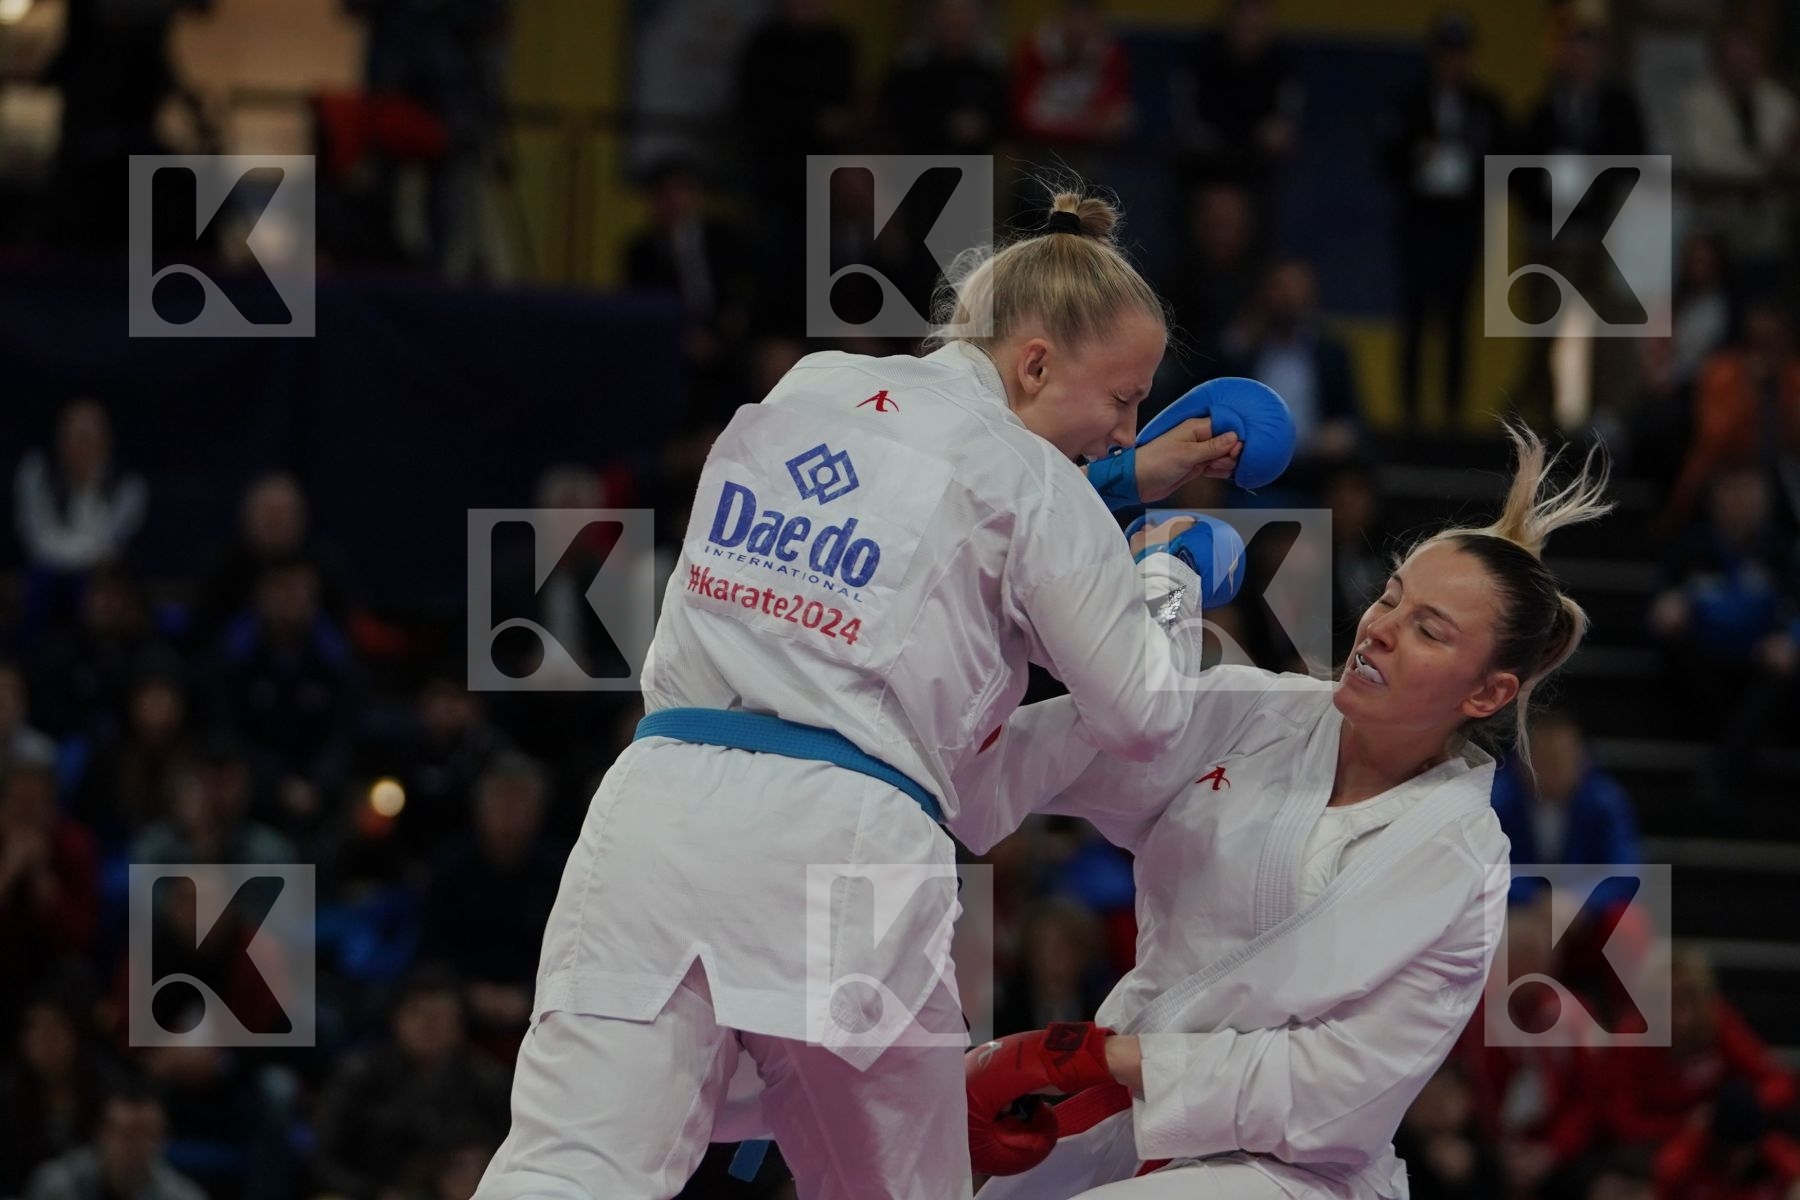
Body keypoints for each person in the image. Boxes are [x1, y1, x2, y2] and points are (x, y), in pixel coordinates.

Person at [472, 189, 1251, 1200]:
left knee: (571, 1168)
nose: (1126, 430)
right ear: (1035, 363)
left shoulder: (810, 382)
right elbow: (1144, 714)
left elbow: (937, 493)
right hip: (844, 839)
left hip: (654, 810)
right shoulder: (1041, 490)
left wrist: (1106, 489)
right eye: (1124, 398)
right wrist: (1166, 574)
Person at [958, 424, 1612, 1198]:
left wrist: (1090, 1058)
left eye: (1427, 630)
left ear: (1487, 694)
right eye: (1391, 597)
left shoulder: (1459, 859)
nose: (1380, 629)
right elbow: (1029, 755)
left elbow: (1339, 1097)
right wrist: (1126, 605)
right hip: (1122, 1121)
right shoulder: (1255, 714)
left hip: (1292, 1174)